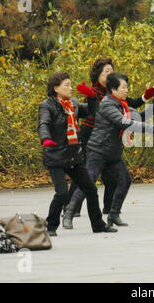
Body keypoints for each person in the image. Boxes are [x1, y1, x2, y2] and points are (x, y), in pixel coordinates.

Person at [65, 58, 154, 217]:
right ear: (98, 75)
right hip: (90, 134)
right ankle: (71, 208)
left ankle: (109, 208)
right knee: (84, 174)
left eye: (112, 71)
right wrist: (142, 120)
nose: (110, 74)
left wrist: (147, 95)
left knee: (111, 176)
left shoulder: (115, 91)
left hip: (109, 139)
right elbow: (99, 112)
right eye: (106, 72)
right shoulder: (95, 92)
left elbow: (131, 104)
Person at [37, 71, 117, 236]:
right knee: (62, 194)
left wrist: (92, 97)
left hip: (73, 155)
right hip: (55, 155)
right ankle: (51, 227)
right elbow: (43, 123)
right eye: (67, 85)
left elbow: (92, 113)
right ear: (56, 88)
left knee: (90, 189)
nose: (71, 88)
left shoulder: (72, 103)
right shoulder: (47, 105)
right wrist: (46, 139)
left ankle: (98, 225)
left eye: (70, 84)